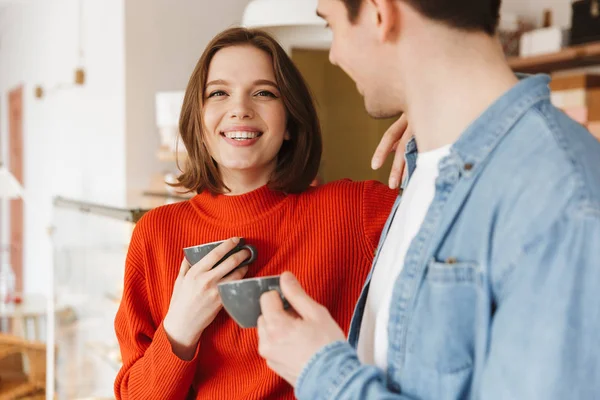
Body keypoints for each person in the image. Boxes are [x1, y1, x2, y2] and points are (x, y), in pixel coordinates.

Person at [257, 0, 600, 399]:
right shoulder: (431, 161)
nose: (334, 55)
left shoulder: (559, 196)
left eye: (331, 25)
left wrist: (321, 371)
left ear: (379, 13)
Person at [113, 27, 402, 400]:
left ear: (290, 123)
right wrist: (180, 328)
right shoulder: (155, 234)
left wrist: (432, 128)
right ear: (198, 122)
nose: (240, 109)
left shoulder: (354, 209)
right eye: (218, 93)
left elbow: (469, 215)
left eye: (264, 92)